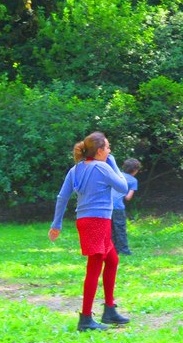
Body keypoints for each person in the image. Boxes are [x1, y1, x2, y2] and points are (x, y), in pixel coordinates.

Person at [48, 132, 131, 332]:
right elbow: (123, 187)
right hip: (98, 221)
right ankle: (85, 319)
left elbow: (62, 197)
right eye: (108, 147)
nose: (110, 151)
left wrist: (56, 224)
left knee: (112, 260)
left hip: (87, 221)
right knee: (94, 267)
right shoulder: (103, 167)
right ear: (100, 151)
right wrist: (113, 164)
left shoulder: (75, 169)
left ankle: (109, 310)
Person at [111, 158, 141, 255]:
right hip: (118, 207)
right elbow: (128, 197)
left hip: (106, 205)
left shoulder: (116, 175)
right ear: (135, 170)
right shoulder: (133, 180)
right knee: (120, 228)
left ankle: (112, 250)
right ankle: (124, 250)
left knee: (111, 229)